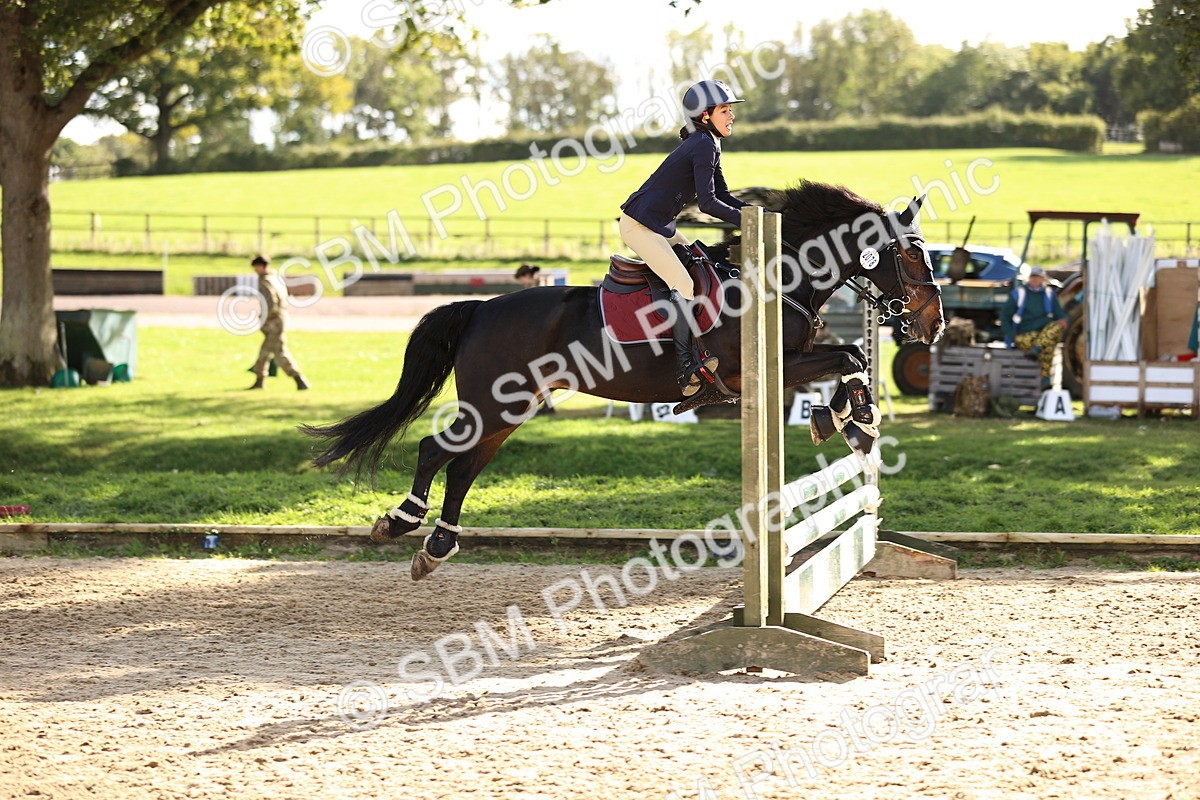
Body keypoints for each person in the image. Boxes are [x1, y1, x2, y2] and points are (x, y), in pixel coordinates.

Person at [619, 79, 752, 397]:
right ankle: (685, 368)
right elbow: (707, 204)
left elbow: (723, 195)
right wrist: (750, 221)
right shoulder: (704, 144)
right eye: (725, 110)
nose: (731, 115)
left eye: (731, 109)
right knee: (686, 286)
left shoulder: (709, 142)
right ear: (705, 116)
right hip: (639, 227)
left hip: (659, 226)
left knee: (702, 263)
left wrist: (757, 214)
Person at [248, 255, 310, 391]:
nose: (254, 270)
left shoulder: (265, 281)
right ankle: (298, 381)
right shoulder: (275, 278)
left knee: (268, 352)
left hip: (274, 321)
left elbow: (271, 301)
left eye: (255, 267)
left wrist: (265, 317)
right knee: (278, 352)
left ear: (260, 266)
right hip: (280, 318)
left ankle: (262, 380)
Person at [1001, 266, 1068, 382]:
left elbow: (1059, 313)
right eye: (1033, 277)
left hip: (1044, 332)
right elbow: (1004, 316)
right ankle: (1045, 378)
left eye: (1038, 277)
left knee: (1054, 329)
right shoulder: (1019, 294)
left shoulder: (1049, 294)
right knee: (1048, 344)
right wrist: (1012, 335)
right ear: (1029, 279)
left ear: (1043, 279)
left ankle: (1038, 352)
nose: (1035, 280)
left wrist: (1063, 320)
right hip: (1026, 334)